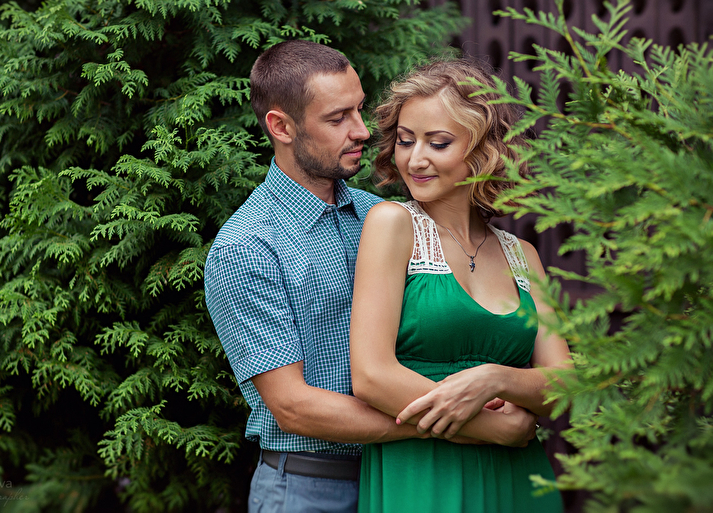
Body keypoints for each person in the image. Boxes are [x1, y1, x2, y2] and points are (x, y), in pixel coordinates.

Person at [204, 43, 537, 513]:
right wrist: (466, 425)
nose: (362, 130)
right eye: (337, 118)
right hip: (310, 487)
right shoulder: (247, 246)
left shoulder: (384, 216)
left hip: (405, 474)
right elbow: (294, 407)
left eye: (359, 109)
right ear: (281, 127)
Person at [349, 58, 573, 513]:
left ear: (484, 150)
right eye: (406, 140)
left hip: (518, 480)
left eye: (439, 143)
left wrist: (497, 378)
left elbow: (564, 384)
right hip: (422, 475)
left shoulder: (522, 255)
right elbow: (371, 376)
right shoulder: (391, 224)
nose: (415, 159)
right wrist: (492, 428)